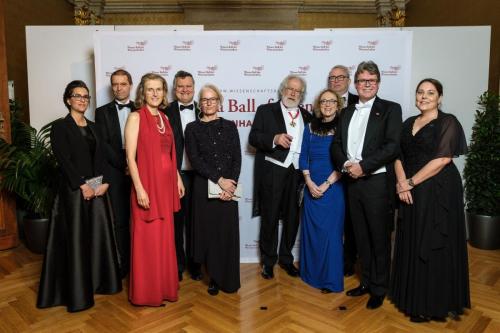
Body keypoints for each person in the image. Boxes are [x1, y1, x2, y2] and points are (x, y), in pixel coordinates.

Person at [389, 78, 470, 322]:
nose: (424, 96)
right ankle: (412, 297)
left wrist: (410, 183)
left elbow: (443, 159)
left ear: (440, 98)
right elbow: (398, 155)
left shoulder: (448, 121)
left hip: (438, 188)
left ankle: (432, 303)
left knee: (433, 240)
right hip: (410, 187)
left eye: (430, 93)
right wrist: (401, 183)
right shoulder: (407, 123)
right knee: (413, 237)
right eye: (420, 92)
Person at [37, 80, 121, 312]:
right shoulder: (60, 127)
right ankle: (77, 293)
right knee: (76, 240)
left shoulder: (95, 127)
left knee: (96, 236)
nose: (83, 99)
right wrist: (82, 186)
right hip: (74, 192)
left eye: (86, 96)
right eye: (77, 95)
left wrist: (104, 183)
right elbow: (63, 160)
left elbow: (101, 158)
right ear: (68, 99)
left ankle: (98, 283)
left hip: (96, 189)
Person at [331, 61, 402, 309]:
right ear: (355, 84)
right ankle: (366, 282)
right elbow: (336, 145)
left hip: (376, 182)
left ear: (378, 83)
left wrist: (364, 166)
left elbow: (392, 146)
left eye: (371, 80)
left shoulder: (391, 109)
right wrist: (346, 165)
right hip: (353, 182)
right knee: (360, 236)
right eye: (362, 81)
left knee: (379, 237)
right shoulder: (347, 112)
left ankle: (380, 288)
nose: (366, 84)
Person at [125, 73, 185, 306]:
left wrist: (177, 178)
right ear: (143, 92)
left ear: (163, 92)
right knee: (147, 239)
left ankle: (163, 289)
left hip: (166, 186)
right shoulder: (135, 117)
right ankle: (146, 294)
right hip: (147, 185)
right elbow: (130, 157)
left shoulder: (165, 118)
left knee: (164, 238)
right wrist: (139, 188)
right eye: (150, 89)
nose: (155, 93)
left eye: (158, 89)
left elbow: (169, 153)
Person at [249, 74, 313, 279]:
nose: (293, 93)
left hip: (297, 173)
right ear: (282, 89)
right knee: (270, 217)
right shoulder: (266, 111)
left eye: (298, 91)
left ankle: (286, 259)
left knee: (293, 218)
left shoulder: (308, 116)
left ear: (302, 95)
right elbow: (253, 138)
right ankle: (268, 262)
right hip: (273, 171)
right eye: (290, 89)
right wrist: (274, 138)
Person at [185, 84, 241, 296]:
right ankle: (214, 278)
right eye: (205, 99)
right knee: (210, 235)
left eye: (213, 99)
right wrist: (220, 180)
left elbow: (237, 157)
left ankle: (230, 278)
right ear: (200, 103)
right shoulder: (192, 128)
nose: (209, 103)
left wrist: (231, 184)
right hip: (205, 187)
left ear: (219, 101)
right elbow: (195, 159)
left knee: (226, 234)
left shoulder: (230, 126)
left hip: (229, 187)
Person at [299, 88, 345, 293]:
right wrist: (308, 182)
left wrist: (326, 184)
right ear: (319, 105)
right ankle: (311, 275)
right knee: (312, 233)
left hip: (333, 186)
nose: (327, 105)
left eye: (332, 101)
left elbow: (346, 162)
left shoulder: (344, 127)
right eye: (324, 101)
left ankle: (329, 280)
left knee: (331, 234)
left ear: (338, 105)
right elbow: (303, 157)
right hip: (311, 185)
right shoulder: (309, 127)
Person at [163, 70, 202, 282]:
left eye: (188, 86)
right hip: (175, 175)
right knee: (177, 222)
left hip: (200, 175)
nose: (185, 90)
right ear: (174, 89)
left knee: (197, 222)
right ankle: (177, 264)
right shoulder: (165, 111)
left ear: (194, 87)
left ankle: (196, 265)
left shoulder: (204, 109)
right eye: (180, 86)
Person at [95, 69, 134, 278]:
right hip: (115, 172)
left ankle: (140, 264)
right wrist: (124, 164)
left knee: (139, 219)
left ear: (130, 85)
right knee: (120, 220)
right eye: (115, 84)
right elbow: (103, 144)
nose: (119, 88)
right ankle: (123, 265)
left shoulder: (141, 108)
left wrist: (133, 165)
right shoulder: (102, 112)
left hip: (139, 170)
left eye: (123, 84)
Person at [328, 64, 359, 277]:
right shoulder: (324, 103)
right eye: (332, 77)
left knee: (352, 220)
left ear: (349, 80)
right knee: (333, 218)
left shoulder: (362, 102)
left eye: (341, 77)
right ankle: (331, 258)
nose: (336, 80)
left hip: (356, 172)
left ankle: (349, 262)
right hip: (329, 170)